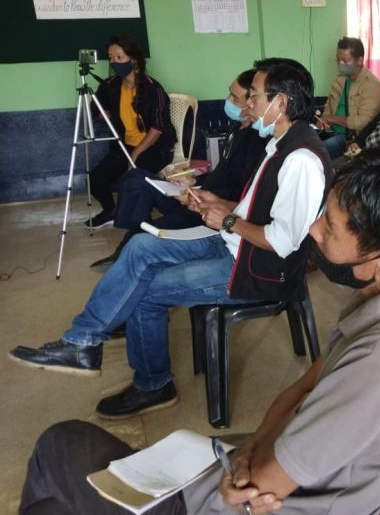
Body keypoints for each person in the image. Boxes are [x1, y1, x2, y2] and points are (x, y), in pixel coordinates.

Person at [20, 146, 380, 515]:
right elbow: (304, 386)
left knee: (59, 446)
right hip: (255, 464)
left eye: (330, 223)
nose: (314, 228)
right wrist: (252, 446)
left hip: (252, 503)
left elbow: (259, 490)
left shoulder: (379, 368)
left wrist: (248, 465)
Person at [9, 58, 333, 418]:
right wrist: (217, 202)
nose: (248, 104)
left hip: (258, 269)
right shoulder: (279, 142)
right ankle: (82, 342)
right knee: (140, 248)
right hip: (236, 245)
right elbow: (257, 210)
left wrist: (227, 220)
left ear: (281, 102)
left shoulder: (301, 158)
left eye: (254, 95)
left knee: (145, 291)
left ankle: (153, 385)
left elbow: (283, 241)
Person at [89, 68, 267, 271]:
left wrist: (199, 196)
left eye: (235, 99)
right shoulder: (237, 129)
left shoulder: (258, 142)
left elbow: (242, 192)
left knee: (142, 235)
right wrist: (193, 181)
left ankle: (135, 245)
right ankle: (135, 237)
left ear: (252, 103)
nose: (228, 100)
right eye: (230, 94)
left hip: (208, 209)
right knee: (137, 177)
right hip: (196, 195)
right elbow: (223, 174)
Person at [85, 35, 177, 229]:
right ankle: (111, 211)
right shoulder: (110, 86)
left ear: (133, 59)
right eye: (111, 58)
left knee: (131, 179)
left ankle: (139, 219)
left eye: (119, 57)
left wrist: (135, 154)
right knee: (95, 178)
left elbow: (157, 128)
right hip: (123, 146)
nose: (113, 62)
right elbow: (96, 106)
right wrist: (105, 114)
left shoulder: (154, 89)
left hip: (155, 148)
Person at [319, 37, 380, 159]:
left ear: (359, 60)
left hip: (350, 139)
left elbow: (363, 122)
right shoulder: (340, 79)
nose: (340, 64)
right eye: (338, 60)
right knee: (300, 143)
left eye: (345, 61)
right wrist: (322, 120)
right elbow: (329, 105)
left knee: (315, 152)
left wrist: (332, 119)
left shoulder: (371, 85)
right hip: (330, 132)